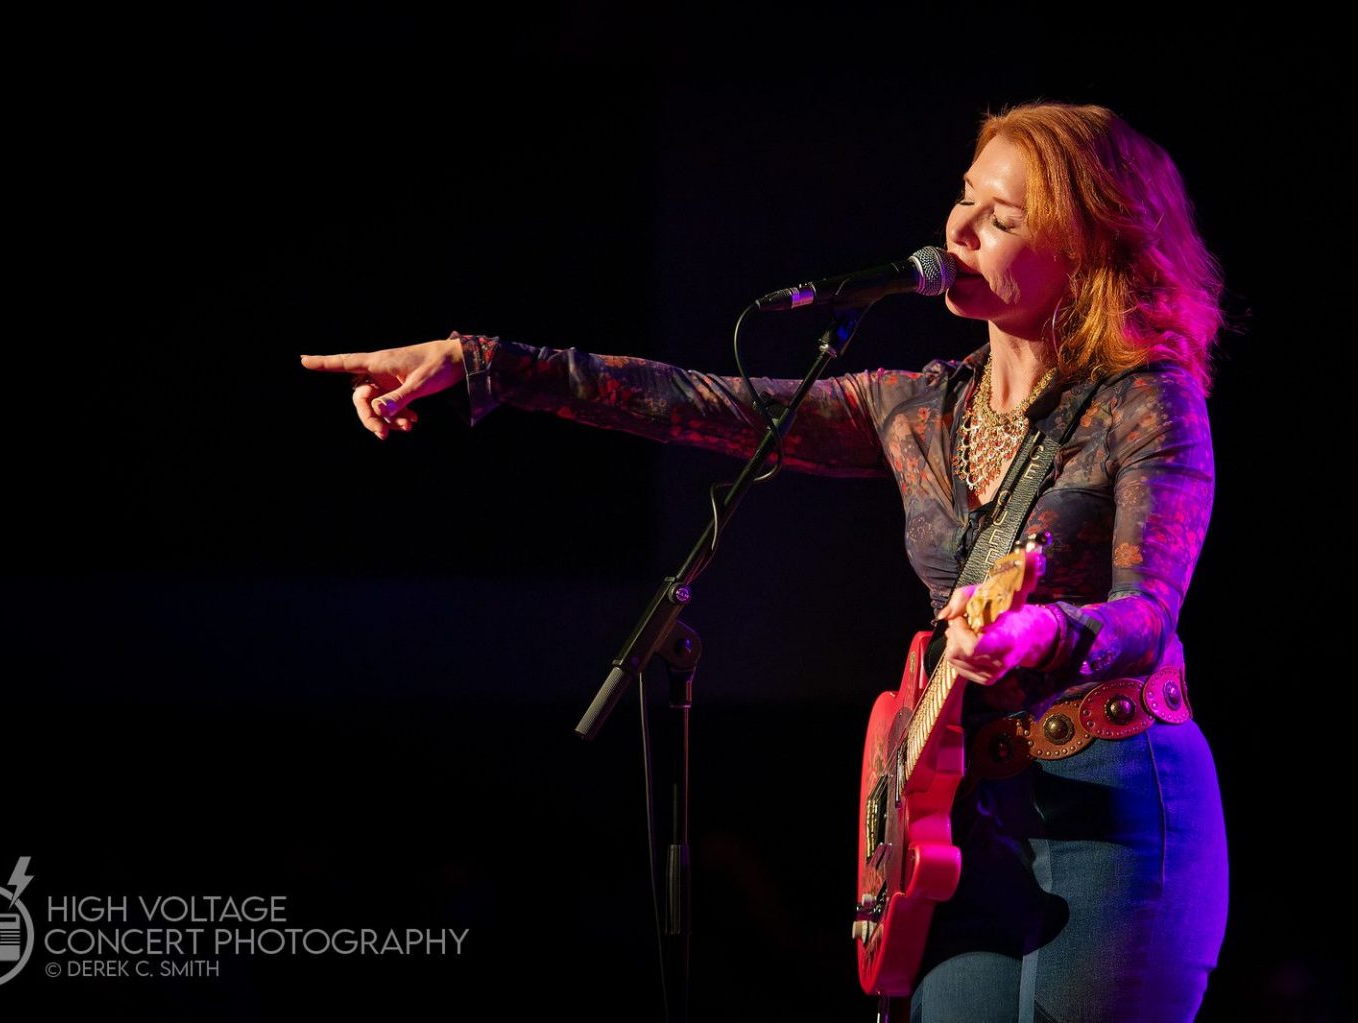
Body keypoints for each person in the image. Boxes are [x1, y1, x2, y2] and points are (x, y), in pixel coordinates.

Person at [300, 101, 1230, 1022]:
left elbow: (1145, 615)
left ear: (1088, 246)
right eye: (965, 198)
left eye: (1004, 216)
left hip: (1113, 804)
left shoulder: (1149, 401)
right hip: (964, 818)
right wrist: (485, 360)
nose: (961, 227)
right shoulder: (920, 409)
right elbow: (692, 401)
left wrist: (1039, 631)